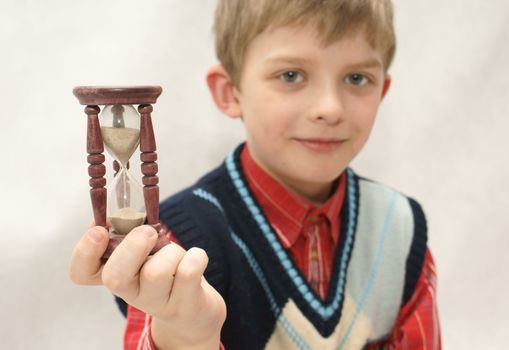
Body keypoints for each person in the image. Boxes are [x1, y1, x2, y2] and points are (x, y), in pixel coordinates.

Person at [70, 0, 441, 349]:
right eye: (291, 75)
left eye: (357, 79)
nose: (330, 108)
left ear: (383, 90)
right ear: (230, 92)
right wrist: (186, 336)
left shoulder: (400, 228)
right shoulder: (177, 241)